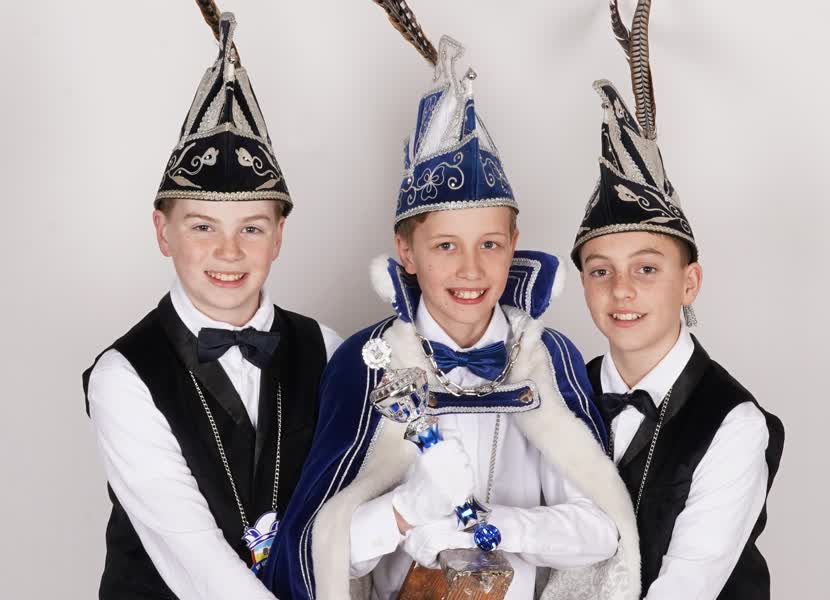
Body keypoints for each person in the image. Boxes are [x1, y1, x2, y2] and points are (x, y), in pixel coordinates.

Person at [264, 6, 640, 599]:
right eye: (445, 246)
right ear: (406, 252)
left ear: (514, 245)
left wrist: (493, 525)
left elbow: (601, 529)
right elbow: (324, 551)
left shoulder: (547, 358)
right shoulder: (368, 361)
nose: (471, 269)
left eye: (490, 244)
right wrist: (409, 510)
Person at [82, 10, 340, 599]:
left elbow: (345, 507)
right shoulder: (123, 375)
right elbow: (196, 561)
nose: (228, 251)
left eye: (251, 228)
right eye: (202, 226)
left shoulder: (328, 348)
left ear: (279, 236)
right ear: (162, 232)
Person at [570, 2, 785, 598]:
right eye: (601, 271)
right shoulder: (564, 392)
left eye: (647, 268)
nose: (622, 289)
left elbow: (686, 587)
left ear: (689, 283)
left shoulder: (734, 423)